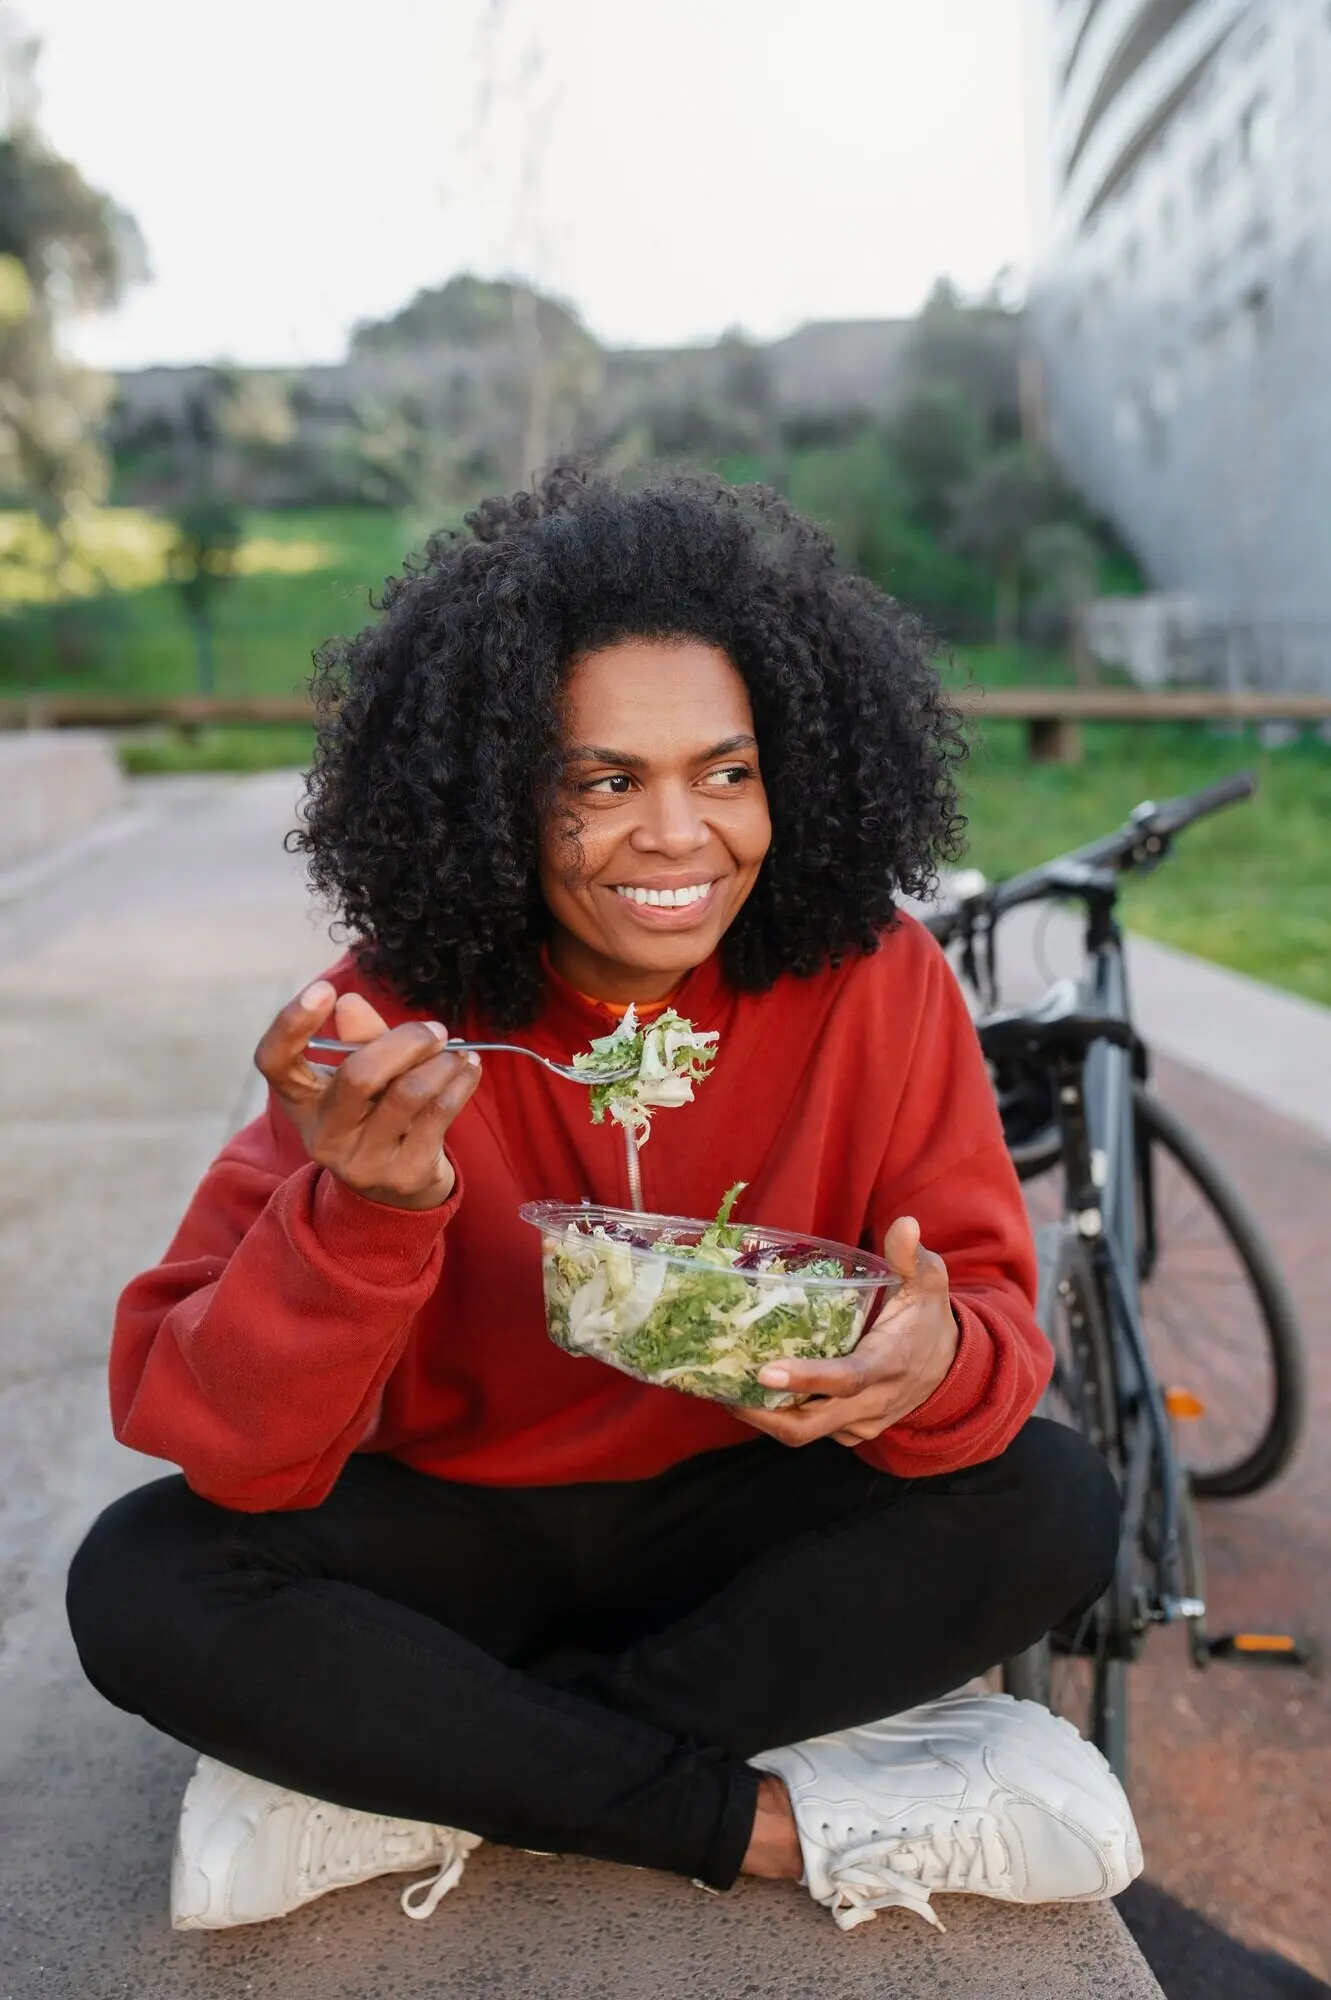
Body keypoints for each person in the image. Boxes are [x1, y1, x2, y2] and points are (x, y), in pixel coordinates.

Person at [66, 467, 1140, 1936]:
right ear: (495, 796)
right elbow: (221, 1441)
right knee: (142, 1579)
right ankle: (758, 1821)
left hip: (736, 1539)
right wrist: (365, 1209)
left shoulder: (877, 979)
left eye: (725, 773)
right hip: (458, 1536)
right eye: (604, 782)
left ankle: (432, 1768)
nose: (679, 835)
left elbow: (988, 1331)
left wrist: (930, 1359)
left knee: (1052, 1499)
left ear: (791, 773)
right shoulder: (387, 1023)